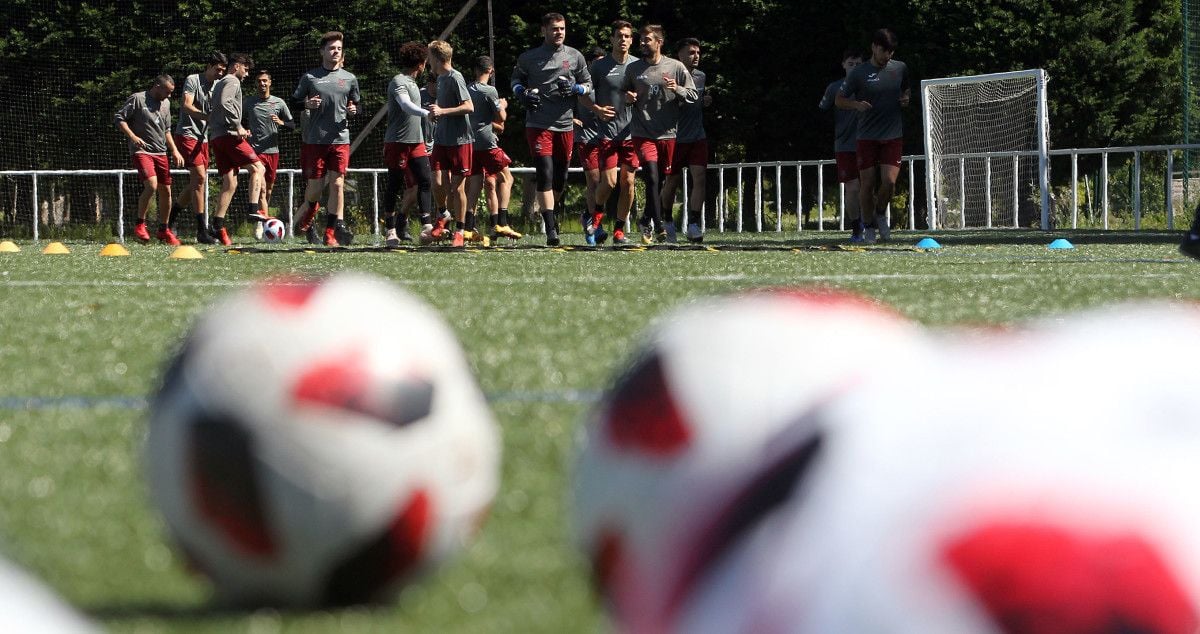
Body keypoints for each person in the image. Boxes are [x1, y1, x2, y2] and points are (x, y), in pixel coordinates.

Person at [511, 11, 592, 246]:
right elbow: (515, 80)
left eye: (562, 28)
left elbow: (588, 84)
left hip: (565, 124)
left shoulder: (575, 56)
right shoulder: (529, 57)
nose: (559, 32)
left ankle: (550, 214)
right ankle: (550, 227)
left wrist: (576, 90)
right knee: (544, 173)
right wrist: (521, 94)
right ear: (543, 31)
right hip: (538, 124)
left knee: (560, 178)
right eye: (554, 28)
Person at [622, 24, 697, 244]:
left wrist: (678, 90)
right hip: (642, 132)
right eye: (642, 40)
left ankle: (646, 218)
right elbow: (624, 93)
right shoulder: (633, 69)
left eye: (647, 40)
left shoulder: (675, 67)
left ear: (659, 42)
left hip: (668, 134)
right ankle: (661, 225)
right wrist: (627, 98)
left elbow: (692, 95)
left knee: (662, 181)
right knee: (652, 177)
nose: (643, 43)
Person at [837, 28, 909, 244]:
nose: (888, 56)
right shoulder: (859, 73)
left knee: (889, 182)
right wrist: (856, 104)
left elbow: (905, 90)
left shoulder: (900, 68)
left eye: (891, 53)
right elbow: (840, 100)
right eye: (884, 51)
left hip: (892, 135)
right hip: (866, 137)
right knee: (866, 185)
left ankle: (880, 214)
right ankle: (868, 227)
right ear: (874, 47)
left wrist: (905, 98)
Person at [292, 31, 361, 247]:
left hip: (340, 139)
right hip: (315, 141)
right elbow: (294, 102)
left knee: (338, 185)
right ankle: (310, 212)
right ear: (322, 51)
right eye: (331, 48)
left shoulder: (350, 78)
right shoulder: (310, 77)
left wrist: (353, 110)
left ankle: (330, 233)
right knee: (315, 189)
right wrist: (306, 105)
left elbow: (358, 105)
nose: (335, 52)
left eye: (339, 48)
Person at [583, 20, 638, 245]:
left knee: (629, 182)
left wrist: (637, 98)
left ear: (631, 40)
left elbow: (648, 97)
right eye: (619, 36)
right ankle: (594, 216)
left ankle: (618, 230)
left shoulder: (638, 65)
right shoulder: (599, 67)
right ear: (612, 39)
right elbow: (582, 94)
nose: (623, 39)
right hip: (607, 133)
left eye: (627, 36)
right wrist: (596, 109)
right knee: (610, 182)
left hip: (632, 133)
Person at [115, 75, 185, 245]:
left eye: (171, 93)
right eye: (167, 92)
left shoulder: (166, 104)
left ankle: (163, 230)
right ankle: (140, 224)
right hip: (142, 151)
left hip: (161, 153)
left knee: (166, 191)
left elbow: (167, 130)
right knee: (152, 185)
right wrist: (133, 136)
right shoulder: (137, 99)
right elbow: (119, 118)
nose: (168, 96)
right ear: (157, 86)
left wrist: (175, 150)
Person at [208, 53, 268, 246]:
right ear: (236, 67)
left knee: (230, 183)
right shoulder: (232, 81)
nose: (247, 74)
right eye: (246, 69)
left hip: (217, 137)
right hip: (227, 136)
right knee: (258, 168)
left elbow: (216, 106)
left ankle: (217, 225)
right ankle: (252, 208)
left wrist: (238, 128)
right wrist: (237, 125)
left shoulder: (219, 83)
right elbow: (226, 103)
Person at [425, 40, 477, 248]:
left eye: (429, 57)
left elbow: (469, 106)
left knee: (457, 189)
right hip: (442, 139)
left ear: (436, 58)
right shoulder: (440, 79)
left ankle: (460, 230)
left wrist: (442, 111)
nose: (427, 61)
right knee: (436, 182)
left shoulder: (456, 77)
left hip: (459, 141)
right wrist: (435, 114)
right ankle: (444, 214)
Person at [381, 41, 433, 246]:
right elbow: (405, 105)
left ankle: (427, 226)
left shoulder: (413, 83)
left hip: (416, 141)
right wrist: (426, 113)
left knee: (425, 180)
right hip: (397, 142)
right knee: (394, 184)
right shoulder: (398, 81)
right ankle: (390, 230)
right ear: (420, 64)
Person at [169, 52, 225, 244]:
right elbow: (186, 106)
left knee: (196, 183)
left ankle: (169, 220)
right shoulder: (193, 80)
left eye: (223, 70)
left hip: (204, 139)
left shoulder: (219, 85)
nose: (220, 73)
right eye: (217, 69)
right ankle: (202, 231)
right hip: (186, 134)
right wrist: (207, 117)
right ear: (208, 66)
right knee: (200, 178)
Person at [466, 56, 522, 243]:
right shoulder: (489, 90)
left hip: (469, 142)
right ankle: (502, 222)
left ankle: (467, 227)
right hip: (486, 143)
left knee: (475, 183)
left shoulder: (466, 88)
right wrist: (504, 106)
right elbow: (502, 117)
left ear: (475, 70)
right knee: (507, 178)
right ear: (491, 71)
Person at [660, 37, 711, 243]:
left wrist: (704, 101)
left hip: (697, 135)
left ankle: (693, 224)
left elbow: (695, 101)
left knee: (699, 177)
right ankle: (667, 221)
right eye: (691, 52)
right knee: (672, 181)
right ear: (679, 55)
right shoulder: (669, 76)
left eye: (698, 52)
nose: (696, 56)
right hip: (675, 136)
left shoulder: (701, 76)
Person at [820, 49, 866, 242]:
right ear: (844, 65)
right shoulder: (835, 88)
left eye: (858, 64)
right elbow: (822, 108)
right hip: (845, 145)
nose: (854, 67)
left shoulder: (869, 87)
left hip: (868, 142)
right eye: (851, 64)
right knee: (852, 187)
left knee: (868, 187)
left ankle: (870, 223)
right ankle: (856, 228)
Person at [242, 69, 295, 221]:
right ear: (256, 84)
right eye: (259, 81)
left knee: (269, 189)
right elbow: (238, 119)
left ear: (270, 82)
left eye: (265, 80)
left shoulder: (279, 102)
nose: (262, 83)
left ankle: (262, 217)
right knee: (262, 189)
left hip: (273, 151)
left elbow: (292, 125)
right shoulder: (250, 102)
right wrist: (244, 130)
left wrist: (281, 122)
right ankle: (262, 223)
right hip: (256, 151)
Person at [574, 45, 607, 245]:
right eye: (597, 62)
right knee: (593, 182)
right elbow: (562, 101)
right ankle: (596, 227)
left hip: (608, 137)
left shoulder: (609, 82)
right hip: (587, 137)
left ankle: (588, 215)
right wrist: (571, 118)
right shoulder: (580, 83)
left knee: (608, 183)